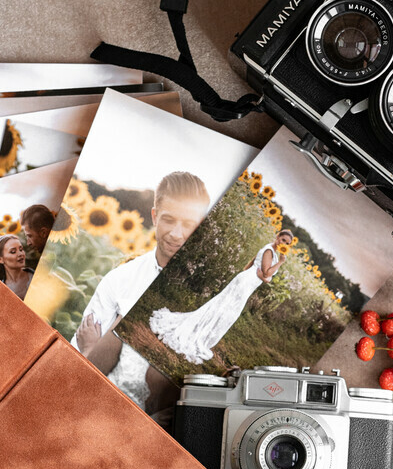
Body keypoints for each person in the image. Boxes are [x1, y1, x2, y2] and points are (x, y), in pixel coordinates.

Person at [76, 171, 211, 413]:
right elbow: (81, 365)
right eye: (169, 220)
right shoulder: (120, 280)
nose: (177, 234)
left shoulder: (206, 293)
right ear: (155, 217)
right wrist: (88, 351)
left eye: (189, 224)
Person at [149, 229, 294, 364]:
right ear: (277, 237)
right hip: (245, 283)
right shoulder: (270, 251)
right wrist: (279, 264)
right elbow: (267, 274)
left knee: (224, 309)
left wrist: (264, 275)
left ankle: (205, 333)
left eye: (287, 243)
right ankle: (200, 335)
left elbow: (259, 271)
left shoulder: (272, 251)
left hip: (246, 283)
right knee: (225, 311)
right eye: (283, 240)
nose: (284, 244)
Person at [0, 234, 33, 300]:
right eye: (13, 252)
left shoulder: (36, 276)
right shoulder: (0, 293)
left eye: (21, 249)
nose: (20, 254)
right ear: (0, 259)